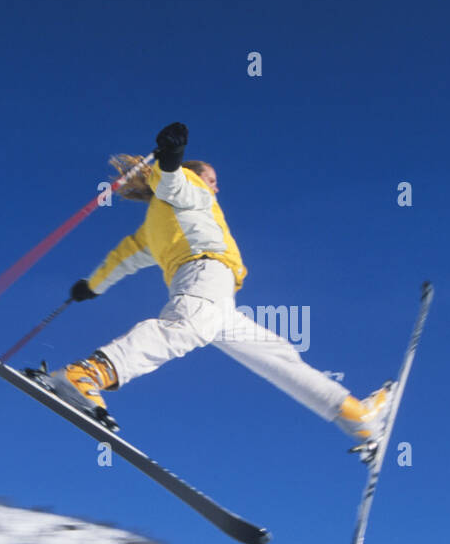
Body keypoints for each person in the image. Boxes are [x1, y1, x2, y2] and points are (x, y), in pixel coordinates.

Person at [47, 122, 392, 445]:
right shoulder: (188, 186)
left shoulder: (153, 225)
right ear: (196, 176)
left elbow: (122, 258)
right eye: (212, 179)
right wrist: (171, 161)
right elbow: (173, 182)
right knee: (183, 327)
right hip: (205, 274)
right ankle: (86, 375)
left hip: (216, 296)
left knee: (277, 355)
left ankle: (356, 416)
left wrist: (92, 286)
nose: (216, 186)